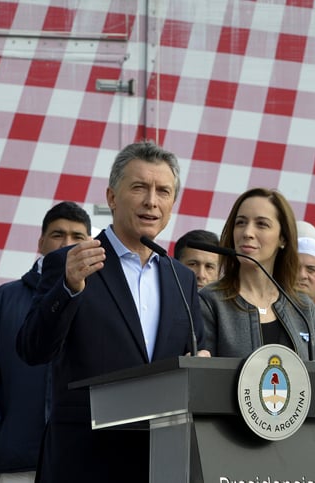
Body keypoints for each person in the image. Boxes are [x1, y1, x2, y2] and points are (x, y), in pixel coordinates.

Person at [17, 141, 207, 482]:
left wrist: (201, 363)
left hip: (160, 461)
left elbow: (194, 355)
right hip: (84, 460)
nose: (152, 201)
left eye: (163, 191)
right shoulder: (72, 262)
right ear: (112, 197)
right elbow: (33, 349)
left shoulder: (182, 278)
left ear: (172, 203)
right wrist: (68, 288)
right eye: (139, 188)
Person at [198, 187, 315, 482]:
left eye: (261, 224)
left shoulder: (305, 309)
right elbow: (202, 398)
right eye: (240, 222)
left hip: (296, 465)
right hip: (228, 464)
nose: (247, 232)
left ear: (283, 239)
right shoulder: (208, 301)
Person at [0, 202, 91, 483]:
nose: (67, 244)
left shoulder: (101, 300)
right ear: (41, 242)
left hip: (88, 463)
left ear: (90, 245)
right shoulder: (2, 300)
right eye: (58, 234)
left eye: (77, 237)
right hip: (19, 465)